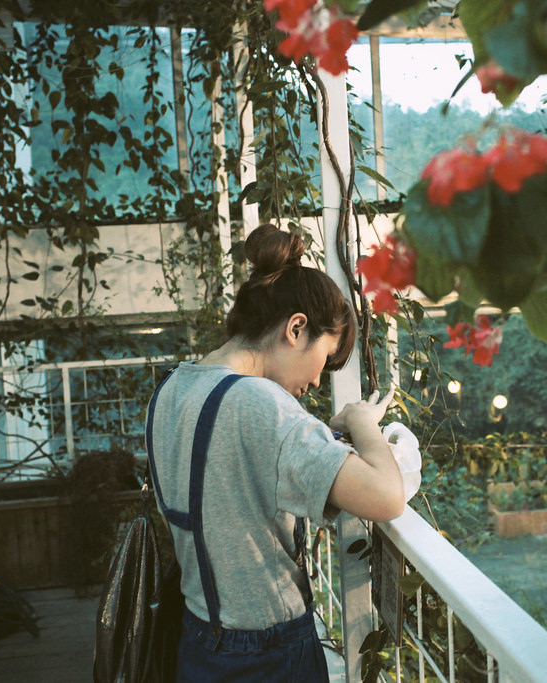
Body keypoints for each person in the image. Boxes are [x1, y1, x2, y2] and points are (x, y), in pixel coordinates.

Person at [146, 223, 405, 682]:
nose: (317, 381)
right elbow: (387, 497)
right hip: (268, 653)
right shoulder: (262, 405)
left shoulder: (172, 389)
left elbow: (226, 484)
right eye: (323, 358)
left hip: (198, 637)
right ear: (296, 328)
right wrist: (364, 423)